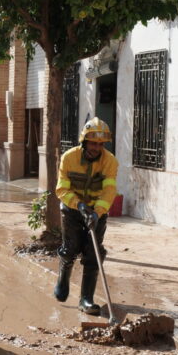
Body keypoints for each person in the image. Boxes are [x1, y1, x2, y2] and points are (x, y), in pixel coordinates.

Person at [53, 117, 119, 316]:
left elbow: (109, 191)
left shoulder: (110, 161)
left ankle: (86, 299)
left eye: (100, 144)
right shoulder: (69, 158)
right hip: (72, 209)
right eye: (93, 143)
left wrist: (96, 212)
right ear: (84, 141)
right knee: (70, 248)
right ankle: (63, 280)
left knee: (93, 254)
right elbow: (61, 189)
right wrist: (79, 205)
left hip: (96, 212)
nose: (96, 148)